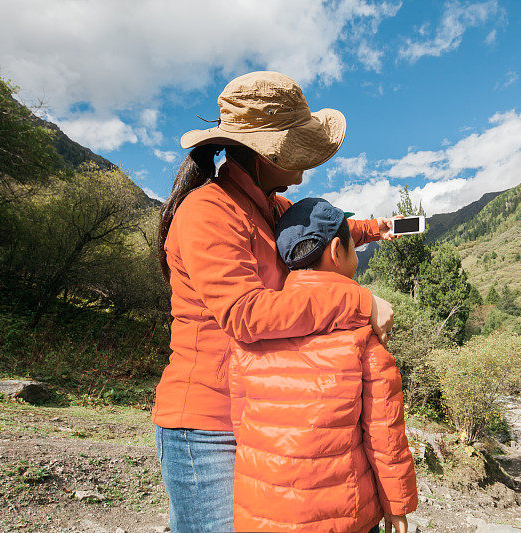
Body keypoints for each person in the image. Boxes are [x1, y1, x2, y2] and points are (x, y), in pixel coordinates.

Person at [152, 72, 397, 532]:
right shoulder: (208, 211)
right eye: (300, 150)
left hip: (255, 414)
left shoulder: (270, 208)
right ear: (269, 153)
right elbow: (245, 315)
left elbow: (318, 235)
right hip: (206, 428)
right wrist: (359, 303)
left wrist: (372, 229)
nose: (307, 164)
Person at [230, 198, 418, 533]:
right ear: (336, 251)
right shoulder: (361, 332)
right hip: (342, 516)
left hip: (261, 515)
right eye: (351, 243)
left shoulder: (253, 335)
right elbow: (383, 431)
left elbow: (241, 424)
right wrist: (397, 505)